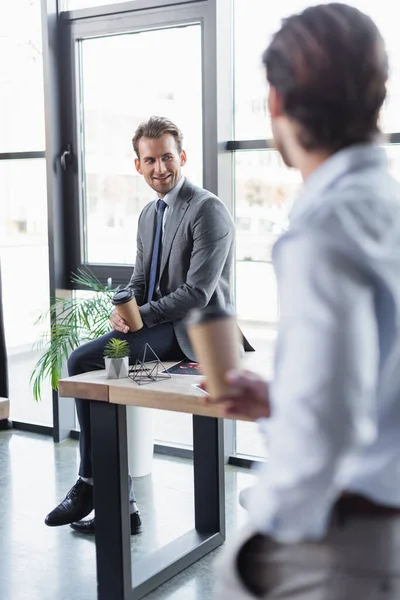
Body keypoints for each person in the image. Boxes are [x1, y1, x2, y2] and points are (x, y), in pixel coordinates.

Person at [214, 4, 400, 599]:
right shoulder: (387, 207)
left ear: (276, 101)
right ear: (378, 95)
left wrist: (271, 521)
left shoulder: (324, 229)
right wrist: (279, 402)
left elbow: (326, 427)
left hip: (340, 546)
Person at [45, 116, 236, 535]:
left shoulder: (207, 210)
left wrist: (140, 317)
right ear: (138, 165)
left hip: (195, 339)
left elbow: (196, 294)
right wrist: (121, 311)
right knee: (105, 380)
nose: (160, 168)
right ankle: (121, 504)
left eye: (167, 157)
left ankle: (90, 484)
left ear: (181, 156)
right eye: (150, 160)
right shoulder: (149, 215)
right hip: (159, 337)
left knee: (83, 360)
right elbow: (137, 280)